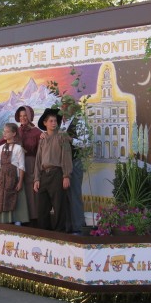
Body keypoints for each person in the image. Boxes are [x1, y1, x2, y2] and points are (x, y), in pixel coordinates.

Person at [33, 108, 72, 232]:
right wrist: (37, 178)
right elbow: (38, 159)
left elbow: (66, 156)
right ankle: (44, 232)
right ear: (45, 123)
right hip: (44, 174)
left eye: (55, 121)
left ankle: (59, 232)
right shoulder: (42, 139)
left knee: (59, 204)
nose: (53, 123)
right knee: (42, 206)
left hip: (57, 173)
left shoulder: (62, 137)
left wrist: (66, 175)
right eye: (50, 121)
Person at [59, 95, 88, 234]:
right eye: (62, 105)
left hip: (75, 162)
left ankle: (79, 227)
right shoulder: (59, 123)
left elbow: (86, 143)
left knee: (74, 194)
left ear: (73, 107)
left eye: (67, 105)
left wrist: (71, 139)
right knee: (64, 197)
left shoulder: (80, 122)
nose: (64, 107)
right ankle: (67, 226)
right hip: (60, 164)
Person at [0, 123, 27, 225]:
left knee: (15, 198)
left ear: (14, 133)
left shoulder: (18, 148)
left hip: (14, 178)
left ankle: (16, 220)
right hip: (3, 178)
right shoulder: (1, 147)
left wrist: (20, 181)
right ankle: (3, 219)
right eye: (4, 131)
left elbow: (21, 166)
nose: (5, 133)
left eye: (7, 131)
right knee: (2, 197)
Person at [15, 106, 42, 223]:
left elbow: (40, 152)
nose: (22, 118)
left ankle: (33, 217)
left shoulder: (37, 132)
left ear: (30, 116)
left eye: (25, 115)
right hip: (17, 164)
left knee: (30, 190)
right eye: (20, 116)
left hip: (30, 163)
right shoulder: (17, 131)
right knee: (19, 189)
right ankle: (21, 217)